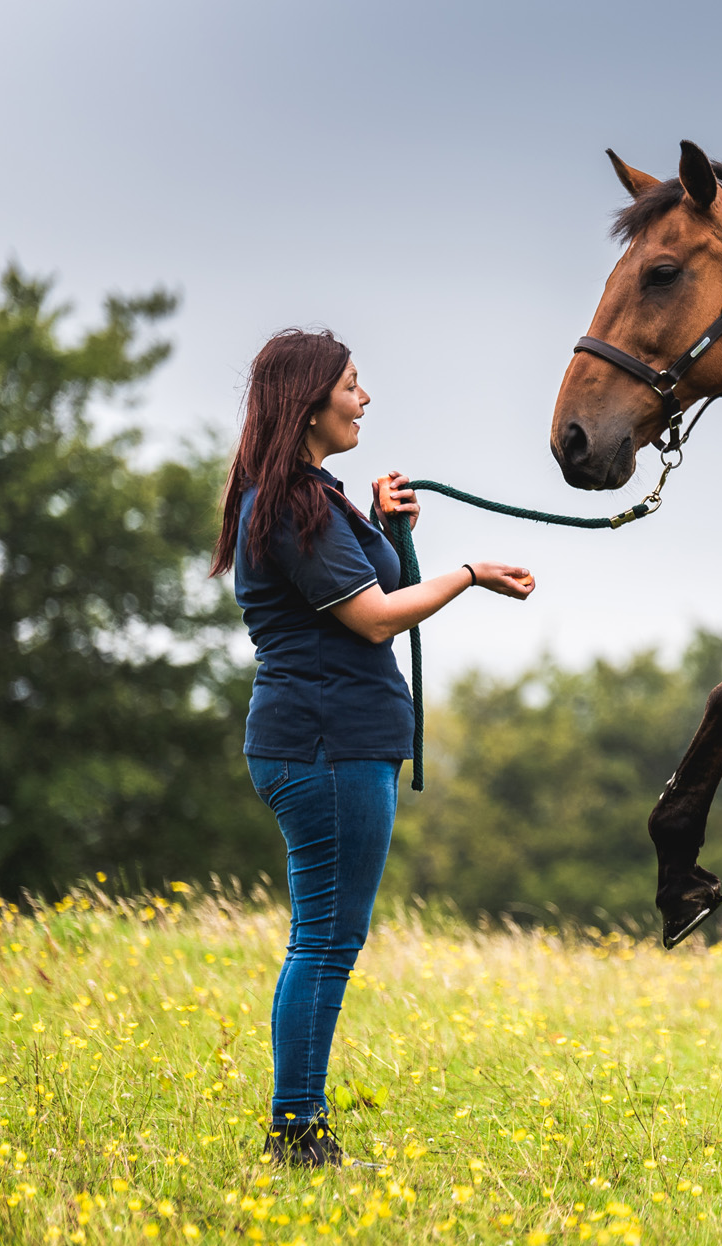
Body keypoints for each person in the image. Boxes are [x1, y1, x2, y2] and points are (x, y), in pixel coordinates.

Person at [209, 328, 536, 1167]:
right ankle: (296, 1131)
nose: (364, 399)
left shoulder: (310, 496)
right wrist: (467, 573)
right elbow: (376, 617)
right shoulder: (289, 503)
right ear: (309, 400)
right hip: (325, 745)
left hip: (331, 740)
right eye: (352, 385)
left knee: (325, 936)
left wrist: (396, 530)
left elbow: (379, 587)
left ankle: (300, 1120)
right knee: (323, 939)